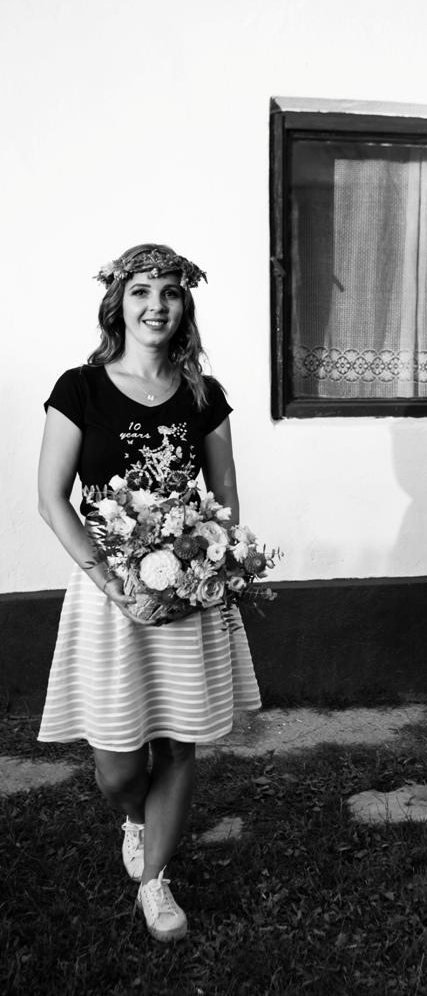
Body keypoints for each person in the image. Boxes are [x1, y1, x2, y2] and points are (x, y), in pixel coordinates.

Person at [37, 243, 261, 941]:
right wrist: (110, 582)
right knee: (115, 765)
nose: (156, 305)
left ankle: (156, 882)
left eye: (169, 292)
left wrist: (211, 571)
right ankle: (135, 818)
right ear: (118, 304)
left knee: (180, 743)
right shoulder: (80, 388)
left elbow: (224, 497)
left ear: (184, 306)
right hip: (111, 593)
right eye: (141, 291)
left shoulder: (204, 396)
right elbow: (52, 499)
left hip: (187, 588)